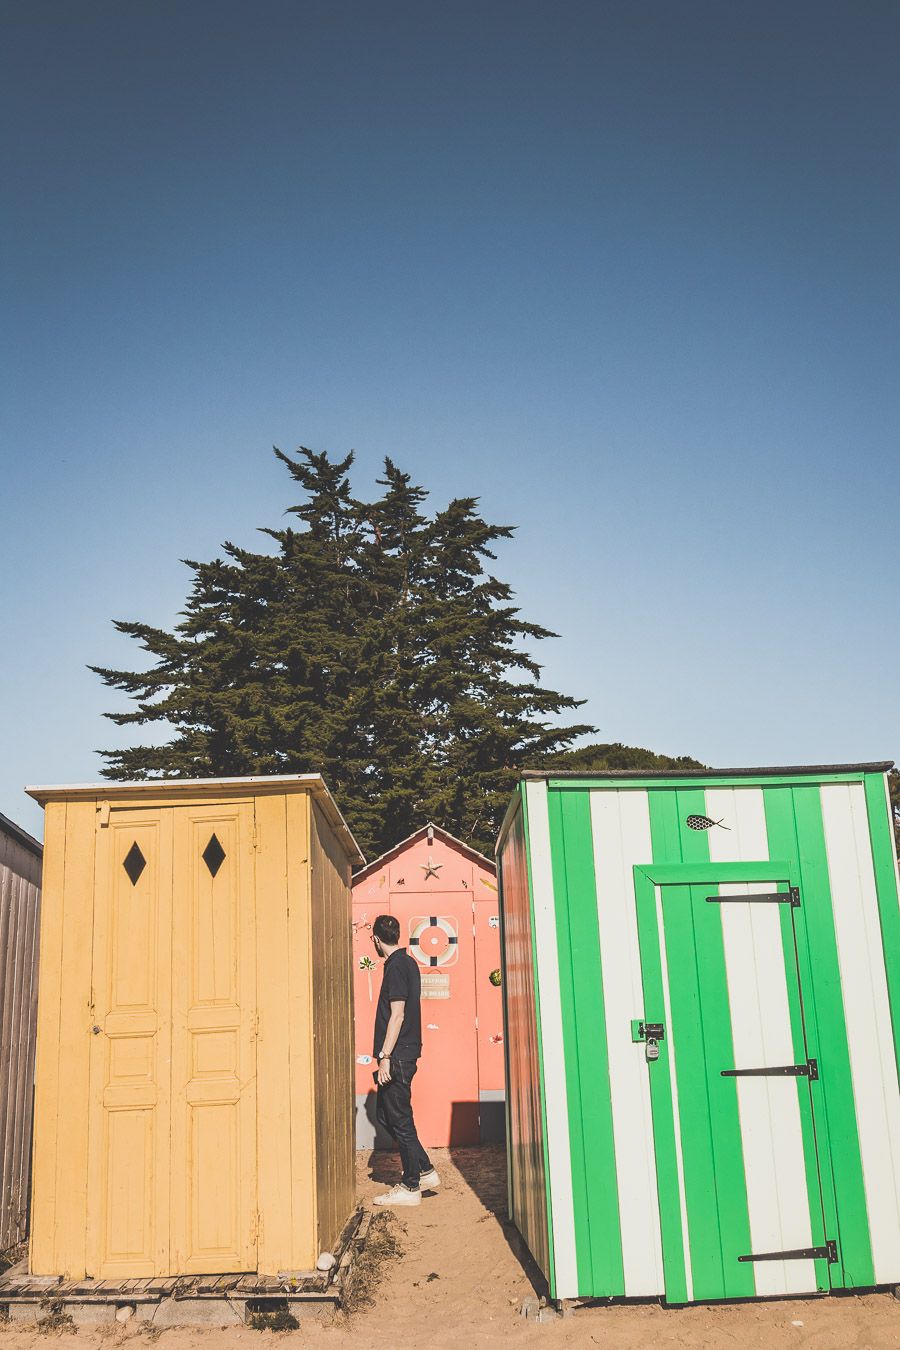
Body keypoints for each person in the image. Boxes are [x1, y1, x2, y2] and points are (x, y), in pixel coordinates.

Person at [369, 913, 441, 1207]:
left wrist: (385, 1056)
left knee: (398, 1118)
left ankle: (411, 1186)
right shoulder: (407, 962)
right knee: (388, 1115)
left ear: (375, 939)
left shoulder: (397, 966)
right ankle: (423, 1170)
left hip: (397, 1055)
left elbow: (397, 1015)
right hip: (403, 1054)